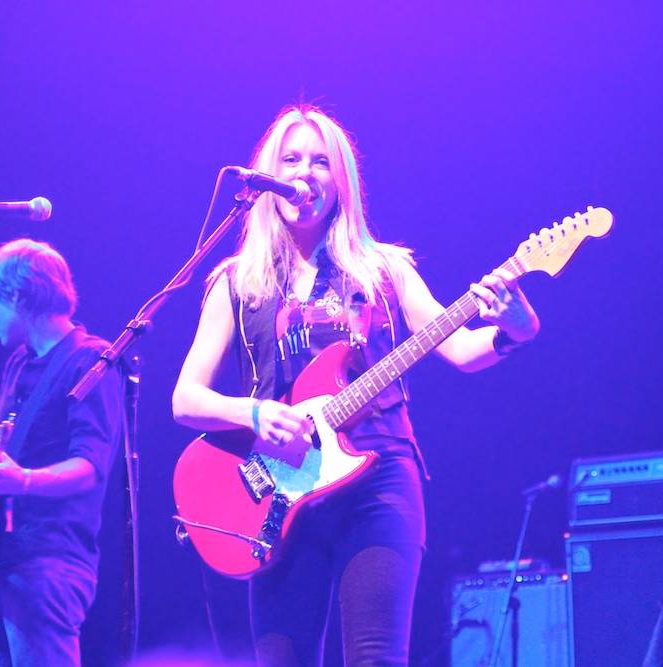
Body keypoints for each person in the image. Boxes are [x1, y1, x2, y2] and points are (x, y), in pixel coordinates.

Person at [172, 104, 541, 666]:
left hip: (377, 483)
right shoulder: (236, 282)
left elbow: (462, 350)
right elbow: (186, 398)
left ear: (341, 180)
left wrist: (517, 328)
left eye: (321, 162)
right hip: (278, 493)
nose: (305, 172)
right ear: (268, 175)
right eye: (291, 160)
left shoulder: (384, 269)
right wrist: (255, 414)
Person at [0, 239, 123, 666]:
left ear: (17, 296)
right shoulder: (19, 362)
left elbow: (91, 466)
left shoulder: (91, 361)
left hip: (48, 562)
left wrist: (23, 481)